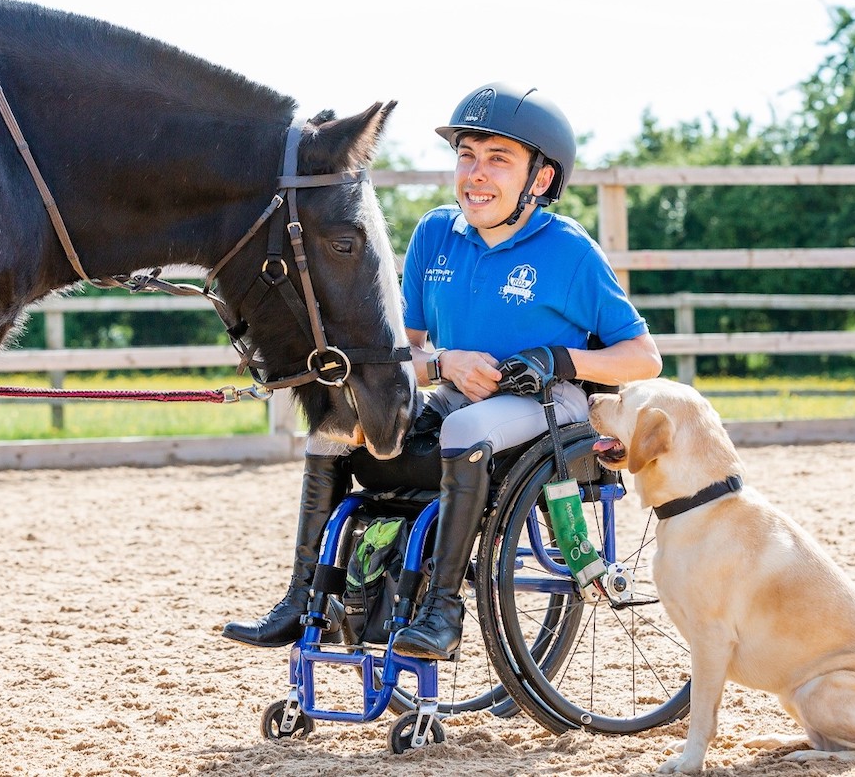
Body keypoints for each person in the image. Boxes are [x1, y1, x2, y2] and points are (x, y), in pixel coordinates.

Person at [222, 82, 662, 660]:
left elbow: (642, 357)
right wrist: (442, 362)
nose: (475, 174)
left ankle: (443, 611)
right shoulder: (435, 234)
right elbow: (400, 351)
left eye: (497, 160)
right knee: (335, 424)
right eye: (466, 157)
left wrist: (557, 359)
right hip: (458, 399)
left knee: (462, 432)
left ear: (542, 179)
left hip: (551, 405)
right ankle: (305, 601)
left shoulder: (569, 251)